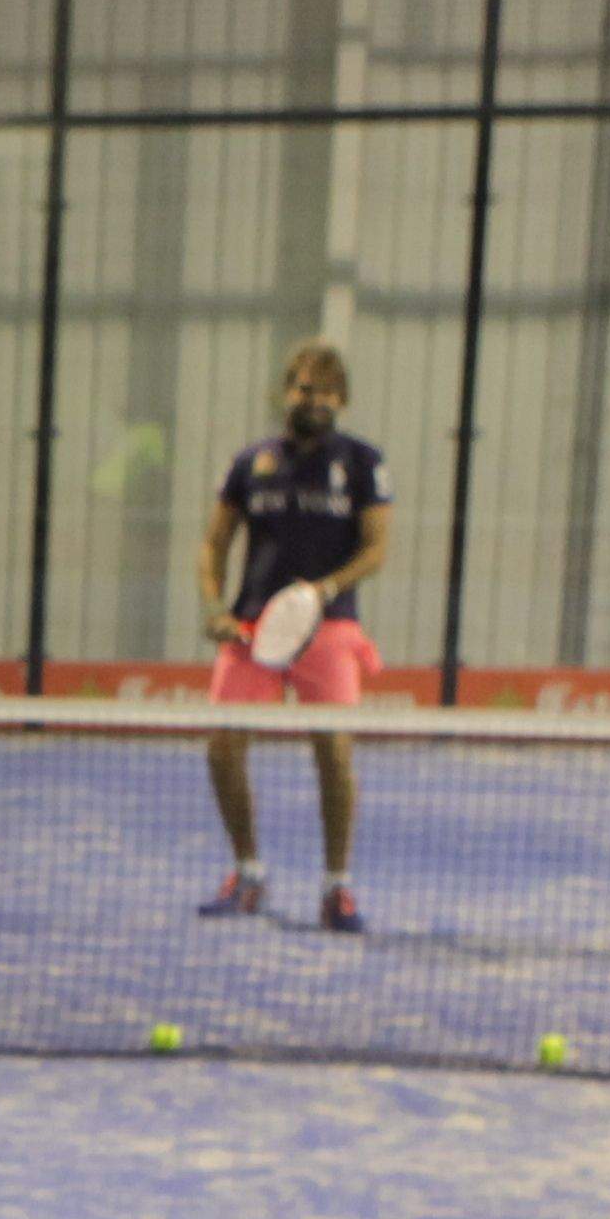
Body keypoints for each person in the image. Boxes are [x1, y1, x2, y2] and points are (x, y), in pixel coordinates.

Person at [192, 337, 393, 934]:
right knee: (223, 748)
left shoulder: (362, 463)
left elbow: (377, 547)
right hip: (252, 628)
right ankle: (248, 871)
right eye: (307, 388)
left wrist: (323, 592)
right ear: (286, 392)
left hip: (330, 627)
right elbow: (214, 543)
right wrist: (213, 605)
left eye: (330, 391)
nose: (318, 400)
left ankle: (337, 889)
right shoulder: (250, 463)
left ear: (343, 400)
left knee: (333, 753)